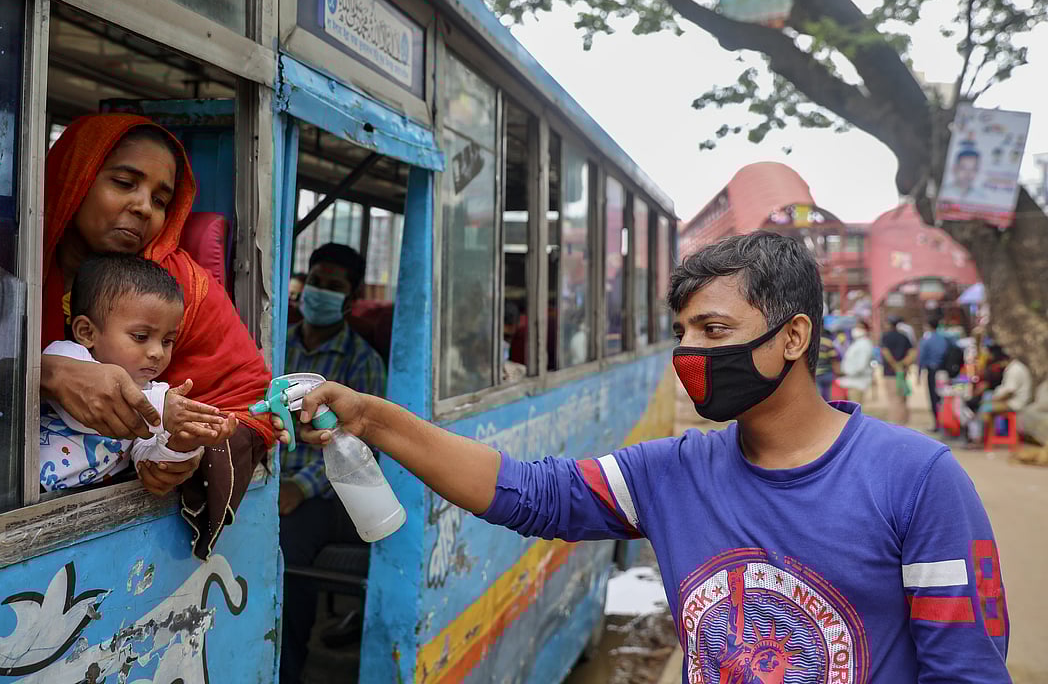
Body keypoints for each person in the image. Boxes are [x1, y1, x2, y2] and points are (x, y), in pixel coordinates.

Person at [285, 232, 1010, 681]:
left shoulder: (917, 480)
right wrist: (371, 416)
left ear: (794, 338)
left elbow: (965, 672)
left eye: (714, 328)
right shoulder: (673, 473)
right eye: (682, 330)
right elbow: (526, 494)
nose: (690, 352)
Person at [40, 114, 274, 558]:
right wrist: (45, 373)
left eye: (161, 199)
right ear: (75, 178)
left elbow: (248, 401)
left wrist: (185, 455)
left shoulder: (182, 289)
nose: (145, 207)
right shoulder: (9, 260)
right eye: (125, 182)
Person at [279, 243, 387, 684]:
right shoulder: (276, 345)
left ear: (350, 296)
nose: (320, 291)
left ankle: (287, 667)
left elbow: (363, 449)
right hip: (269, 478)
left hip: (327, 492)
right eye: (316, 281)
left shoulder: (363, 362)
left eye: (333, 286)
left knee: (286, 552)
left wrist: (301, 487)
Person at [39, 254, 230, 490]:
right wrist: (162, 411)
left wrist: (183, 443)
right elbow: (95, 406)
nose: (157, 352)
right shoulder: (66, 356)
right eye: (141, 337)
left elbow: (146, 460)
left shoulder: (154, 391)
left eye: (168, 340)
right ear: (87, 333)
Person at [880, 315, 916, 425]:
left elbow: (885, 352)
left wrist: (894, 365)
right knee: (902, 397)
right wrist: (903, 364)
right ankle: (904, 420)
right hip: (902, 371)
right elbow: (912, 352)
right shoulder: (904, 337)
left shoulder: (885, 337)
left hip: (890, 372)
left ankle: (895, 422)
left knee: (894, 398)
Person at [918, 319, 951, 431]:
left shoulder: (926, 340)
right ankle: (945, 423)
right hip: (944, 371)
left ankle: (937, 424)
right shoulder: (944, 339)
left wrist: (919, 373)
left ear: (928, 326)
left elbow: (921, 357)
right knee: (943, 396)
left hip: (932, 371)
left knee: (933, 398)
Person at [836, 319, 874, 403]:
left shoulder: (864, 344)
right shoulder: (857, 343)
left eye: (860, 327)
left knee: (854, 410)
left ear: (866, 330)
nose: (856, 329)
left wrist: (846, 372)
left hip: (858, 383)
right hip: (851, 382)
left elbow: (861, 365)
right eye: (856, 327)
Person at [814, 326, 840, 401]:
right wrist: (837, 372)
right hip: (827, 373)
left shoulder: (811, 342)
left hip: (816, 374)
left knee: (818, 398)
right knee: (827, 397)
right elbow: (834, 359)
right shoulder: (828, 342)